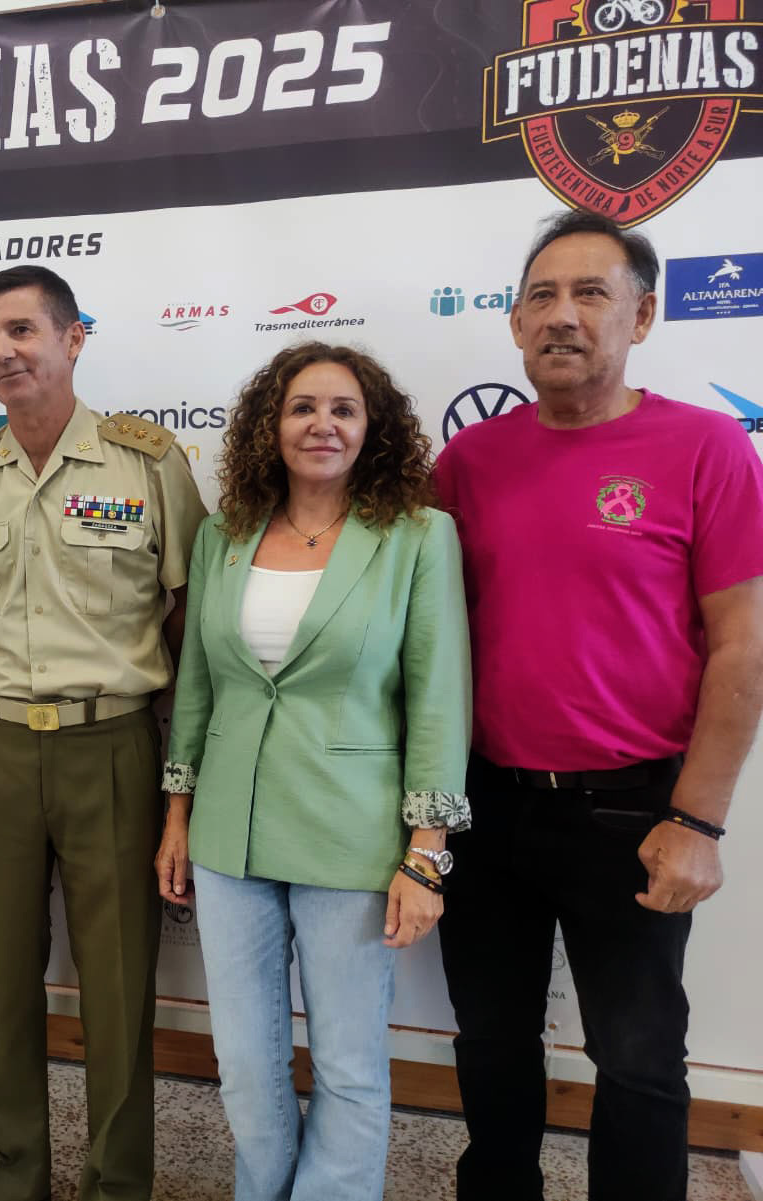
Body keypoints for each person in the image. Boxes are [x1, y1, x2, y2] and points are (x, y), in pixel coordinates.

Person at [435, 209, 763, 1201]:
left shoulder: (706, 446)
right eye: (540, 296)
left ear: (643, 316)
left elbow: (743, 645)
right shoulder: (467, 462)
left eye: (590, 293)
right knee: (491, 1039)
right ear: (514, 322)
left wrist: (696, 820)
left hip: (636, 810)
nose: (562, 315)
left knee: (637, 1055)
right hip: (485, 803)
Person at [155, 342, 471, 1201]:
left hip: (351, 837)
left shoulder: (417, 536)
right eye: (302, 407)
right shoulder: (223, 535)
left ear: (373, 429)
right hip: (230, 835)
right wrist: (178, 813)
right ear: (272, 425)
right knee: (246, 1063)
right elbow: (199, 687)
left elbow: (437, 698)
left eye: (343, 409)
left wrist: (426, 853)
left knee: (348, 1064)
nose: (321, 424)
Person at [0, 265, 207, 1201]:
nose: (3, 351)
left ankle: (116, 1182)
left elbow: (189, 617)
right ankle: (10, 1176)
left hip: (112, 745)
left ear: (73, 338)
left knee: (118, 982)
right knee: (3, 976)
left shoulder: (147, 464)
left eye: (22, 330)